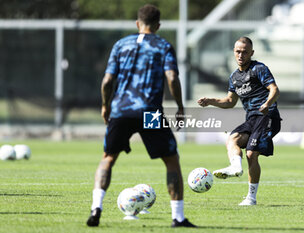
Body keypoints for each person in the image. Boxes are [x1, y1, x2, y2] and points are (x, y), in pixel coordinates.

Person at [87, 4, 196, 228]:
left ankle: (96, 207)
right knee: (171, 160)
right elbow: (173, 78)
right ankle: (178, 217)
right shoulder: (163, 46)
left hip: (121, 110)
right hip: (150, 112)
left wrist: (106, 105)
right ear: (158, 25)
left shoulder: (120, 45)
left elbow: (107, 81)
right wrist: (180, 106)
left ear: (138, 23)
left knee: (108, 158)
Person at [197, 36, 281, 206]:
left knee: (251, 154)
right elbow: (230, 102)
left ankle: (251, 198)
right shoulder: (234, 77)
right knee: (232, 138)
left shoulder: (259, 69)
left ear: (251, 53)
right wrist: (210, 101)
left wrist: (267, 103)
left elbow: (274, 89)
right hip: (252, 118)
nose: (241, 55)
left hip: (267, 116)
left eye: (244, 52)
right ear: (234, 52)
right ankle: (235, 166)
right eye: (237, 51)